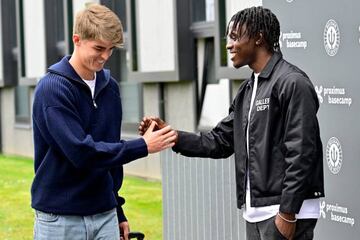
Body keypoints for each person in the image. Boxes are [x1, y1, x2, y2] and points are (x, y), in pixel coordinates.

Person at [139, 6, 324, 240]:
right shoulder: (248, 90)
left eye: (235, 37)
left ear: (259, 37)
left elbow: (302, 152)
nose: (228, 45)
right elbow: (219, 141)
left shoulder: (292, 83)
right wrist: (171, 135)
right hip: (256, 212)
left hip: (285, 212)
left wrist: (288, 212)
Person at [31, 3, 176, 240]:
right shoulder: (52, 90)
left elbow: (109, 154)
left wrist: (117, 210)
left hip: (105, 215)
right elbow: (81, 152)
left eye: (111, 49)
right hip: (60, 220)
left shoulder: (110, 88)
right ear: (77, 39)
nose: (105, 56)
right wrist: (143, 146)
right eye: (99, 48)